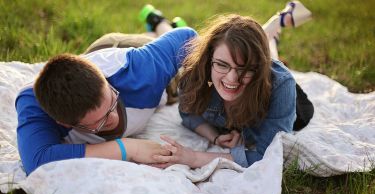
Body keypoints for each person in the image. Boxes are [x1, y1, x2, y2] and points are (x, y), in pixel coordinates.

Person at [15, 17, 197, 175]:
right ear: (64, 123)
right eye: (100, 122)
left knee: (173, 63)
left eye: (112, 102)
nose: (114, 117)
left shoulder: (139, 69)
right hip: (92, 55)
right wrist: (127, 148)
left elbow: (187, 37)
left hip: (125, 46)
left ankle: (160, 23)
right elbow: (37, 162)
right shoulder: (36, 104)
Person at [151, 1, 314, 168]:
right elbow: (188, 113)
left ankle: (277, 25)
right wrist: (214, 136)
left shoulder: (280, 85)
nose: (232, 78)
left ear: (258, 68)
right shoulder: (196, 72)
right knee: (242, 51)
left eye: (245, 69)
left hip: (279, 93)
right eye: (222, 64)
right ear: (209, 60)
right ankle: (275, 29)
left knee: (264, 57)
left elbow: (266, 155)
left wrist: (194, 157)